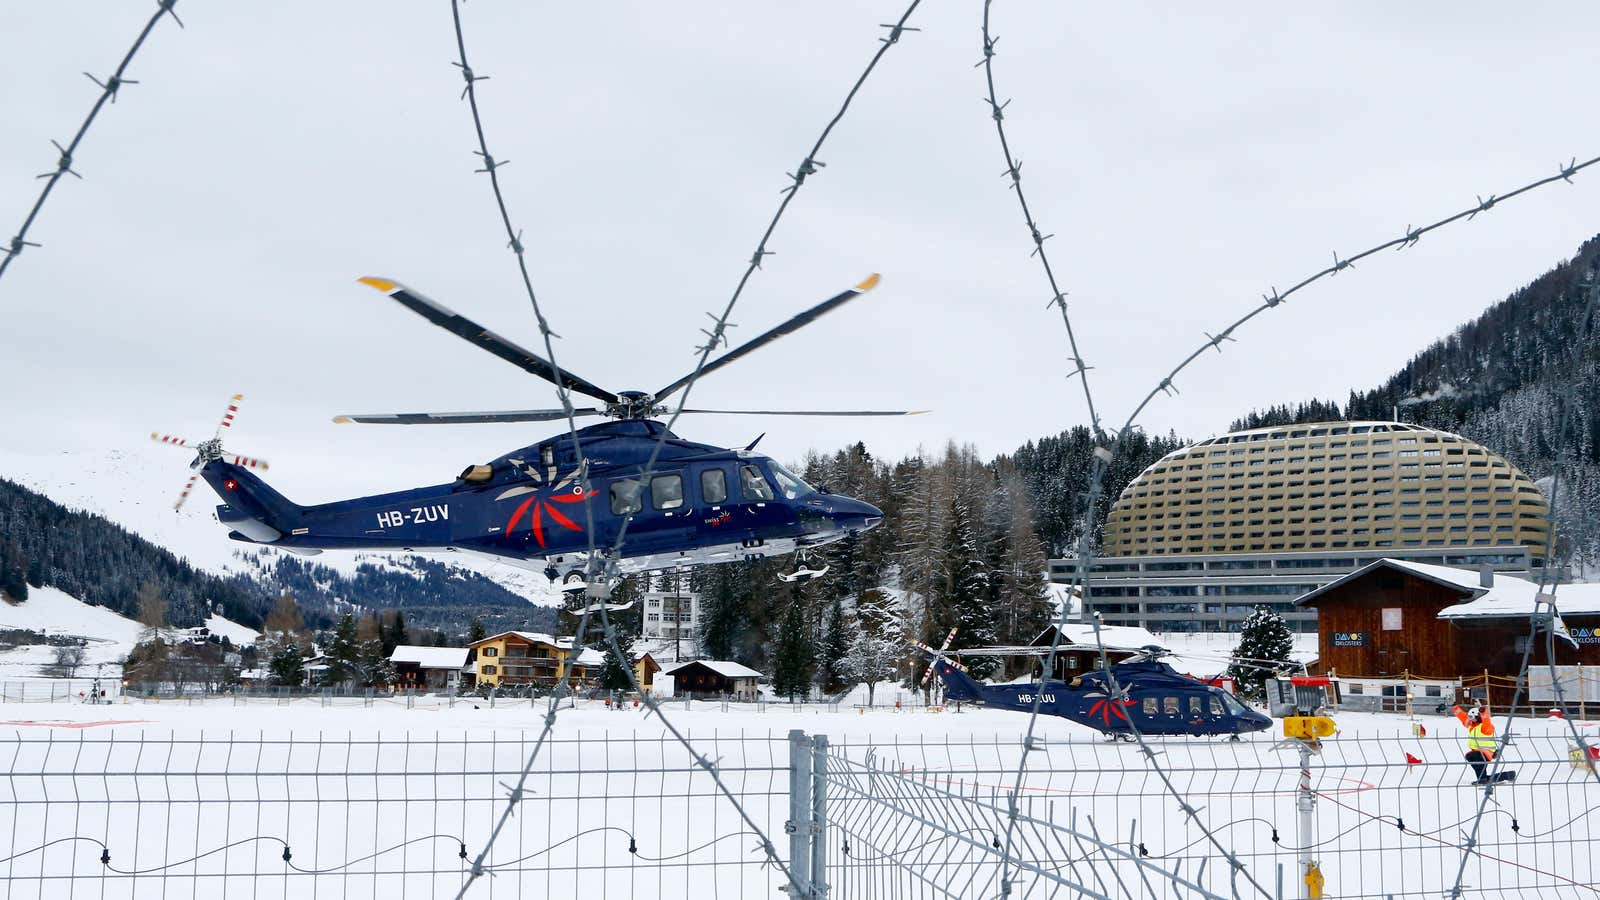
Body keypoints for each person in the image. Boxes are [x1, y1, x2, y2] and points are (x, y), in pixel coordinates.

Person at [1452, 703, 1508, 784]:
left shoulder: (1485, 727)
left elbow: (1486, 721)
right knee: (1471, 757)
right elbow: (1463, 717)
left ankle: (1482, 779)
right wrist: (1455, 708)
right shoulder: (1472, 725)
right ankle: (1506, 775)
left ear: (1478, 717)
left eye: (1472, 717)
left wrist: (1483, 712)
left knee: (1471, 756)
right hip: (1479, 752)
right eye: (1470, 717)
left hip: (1487, 752)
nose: (1470, 719)